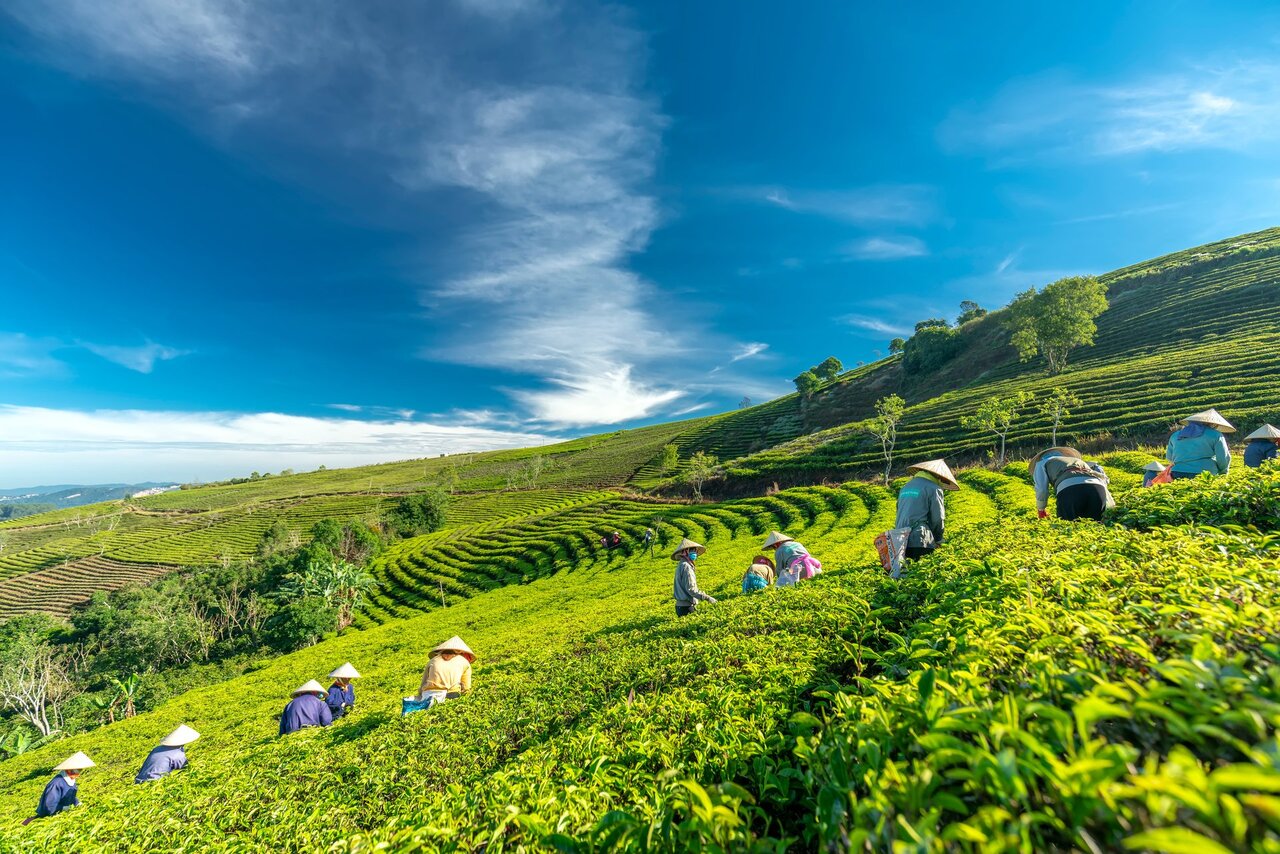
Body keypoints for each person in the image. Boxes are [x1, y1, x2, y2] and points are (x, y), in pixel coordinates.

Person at [894, 459, 958, 559]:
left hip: (900, 539)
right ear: (938, 476)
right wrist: (938, 539)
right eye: (943, 480)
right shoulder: (934, 488)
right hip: (920, 539)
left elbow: (899, 512)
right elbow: (938, 518)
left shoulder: (906, 487)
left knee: (907, 572)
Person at [1032, 447, 1110, 521]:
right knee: (1096, 526)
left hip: (1070, 490)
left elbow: (1041, 489)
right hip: (1097, 488)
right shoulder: (1076, 460)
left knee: (1068, 527)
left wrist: (1041, 509)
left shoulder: (1042, 463)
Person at [1166, 409, 1234, 479]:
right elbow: (1223, 458)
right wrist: (1223, 472)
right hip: (1205, 472)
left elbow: (1169, 457)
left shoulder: (1175, 435)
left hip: (1178, 472)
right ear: (1213, 424)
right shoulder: (1216, 435)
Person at [31, 752, 93, 821]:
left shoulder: (71, 780)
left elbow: (70, 796)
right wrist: (63, 808)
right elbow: (49, 806)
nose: (79, 772)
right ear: (69, 770)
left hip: (62, 815)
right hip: (47, 818)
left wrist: (77, 803)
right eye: (77, 770)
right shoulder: (56, 784)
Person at [419, 636, 474, 706]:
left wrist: (420, 695)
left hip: (428, 695)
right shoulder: (464, 661)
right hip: (450, 694)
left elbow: (424, 681)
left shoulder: (433, 660)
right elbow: (466, 688)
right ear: (462, 652)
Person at [135, 725, 199, 783]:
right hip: (155, 783)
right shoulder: (178, 754)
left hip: (139, 780)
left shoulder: (157, 748)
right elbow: (184, 770)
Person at [672, 538, 716, 616]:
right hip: (686, 607)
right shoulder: (686, 567)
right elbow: (691, 589)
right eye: (692, 550)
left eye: (695, 550)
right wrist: (707, 598)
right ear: (685, 552)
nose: (695, 552)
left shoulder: (681, 564)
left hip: (681, 606)